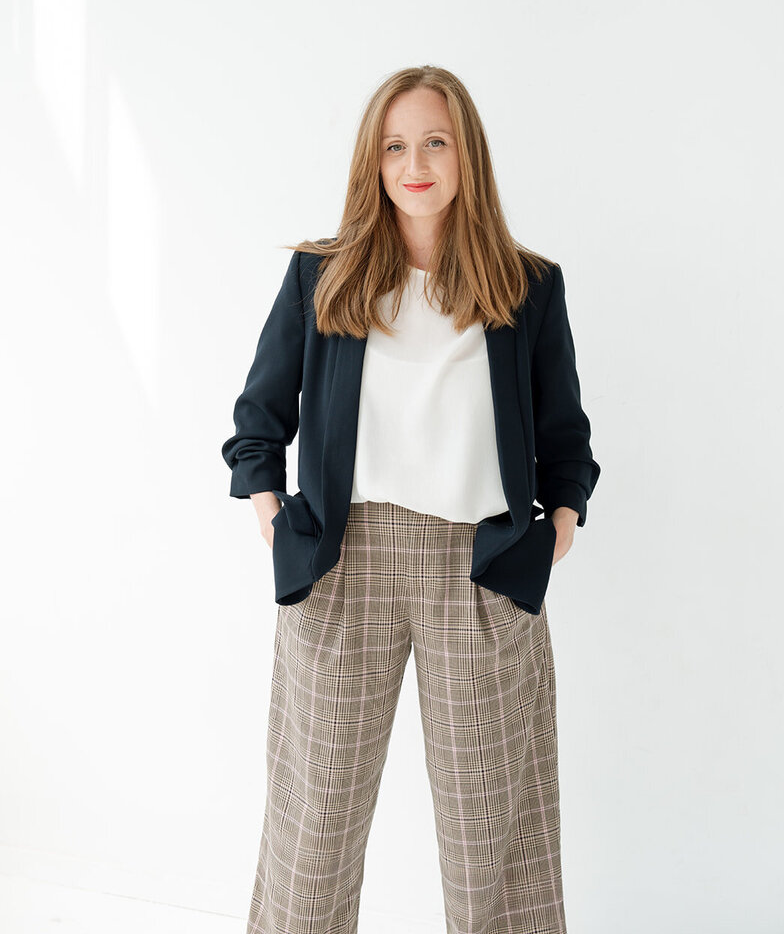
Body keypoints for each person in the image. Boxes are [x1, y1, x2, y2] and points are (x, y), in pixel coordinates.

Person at [221, 64, 601, 934]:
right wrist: (279, 525)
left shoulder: (527, 287)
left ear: (467, 154)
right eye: (395, 146)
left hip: (480, 570)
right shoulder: (325, 277)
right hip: (342, 563)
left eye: (435, 141)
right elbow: (258, 422)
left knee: (495, 851)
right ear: (374, 162)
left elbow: (565, 440)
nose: (415, 163)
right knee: (312, 839)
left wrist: (556, 536)